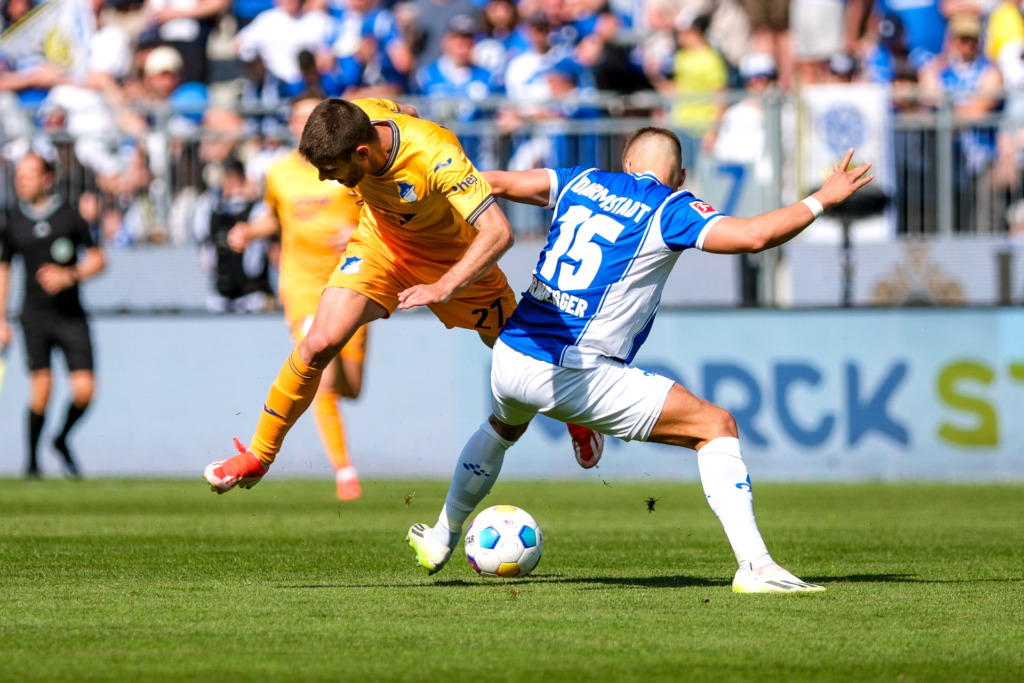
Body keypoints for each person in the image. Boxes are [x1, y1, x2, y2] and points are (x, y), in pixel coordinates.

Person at [405, 128, 873, 593]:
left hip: (510, 355)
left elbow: (494, 183)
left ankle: (441, 537)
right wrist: (822, 199)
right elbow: (753, 236)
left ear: (626, 164)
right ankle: (756, 567)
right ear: (681, 175)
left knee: (503, 428)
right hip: (572, 370)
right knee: (715, 426)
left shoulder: (581, 181)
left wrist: (415, 189)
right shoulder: (673, 208)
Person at [203, 97, 604, 494]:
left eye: (331, 170)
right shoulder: (364, 113)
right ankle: (259, 455)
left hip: (451, 259)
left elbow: (499, 232)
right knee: (319, 343)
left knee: (525, 357)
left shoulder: (436, 154)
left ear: (362, 153)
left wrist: (445, 285)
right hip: (382, 249)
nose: (325, 180)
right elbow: (406, 111)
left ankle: (577, 416)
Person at [223, 93, 369, 500]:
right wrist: (250, 232)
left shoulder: (348, 165)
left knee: (351, 387)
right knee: (316, 365)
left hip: (353, 278)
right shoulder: (279, 173)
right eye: (300, 118)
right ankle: (345, 473)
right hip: (302, 286)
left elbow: (374, 206)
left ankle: (341, 453)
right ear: (292, 125)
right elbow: (274, 216)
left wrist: (358, 231)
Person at [0, 152, 107, 479]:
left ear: (47, 179)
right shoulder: (12, 220)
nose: (22, 180)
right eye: (19, 175)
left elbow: (98, 260)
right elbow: (4, 269)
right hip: (34, 317)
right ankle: (32, 464)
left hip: (72, 316)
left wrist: (69, 274)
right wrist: (1, 318)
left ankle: (60, 439)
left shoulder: (68, 216)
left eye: (29, 174)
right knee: (42, 390)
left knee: (86, 391)